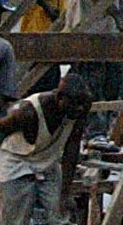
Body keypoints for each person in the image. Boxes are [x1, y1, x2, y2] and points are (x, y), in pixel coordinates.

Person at [0, 74, 93, 225]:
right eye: (74, 104)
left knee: (58, 218)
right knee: (15, 219)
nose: (79, 109)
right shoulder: (28, 111)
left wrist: (65, 192)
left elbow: (72, 149)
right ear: (60, 98)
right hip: (16, 162)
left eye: (82, 105)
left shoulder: (80, 107)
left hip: (47, 162)